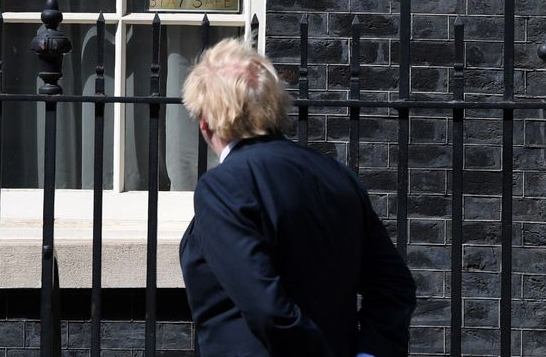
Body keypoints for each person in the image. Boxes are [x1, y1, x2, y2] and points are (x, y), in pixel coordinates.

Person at [178, 39, 418, 357]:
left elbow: (267, 309)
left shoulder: (223, 186)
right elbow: (394, 286)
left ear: (205, 122)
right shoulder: (336, 175)